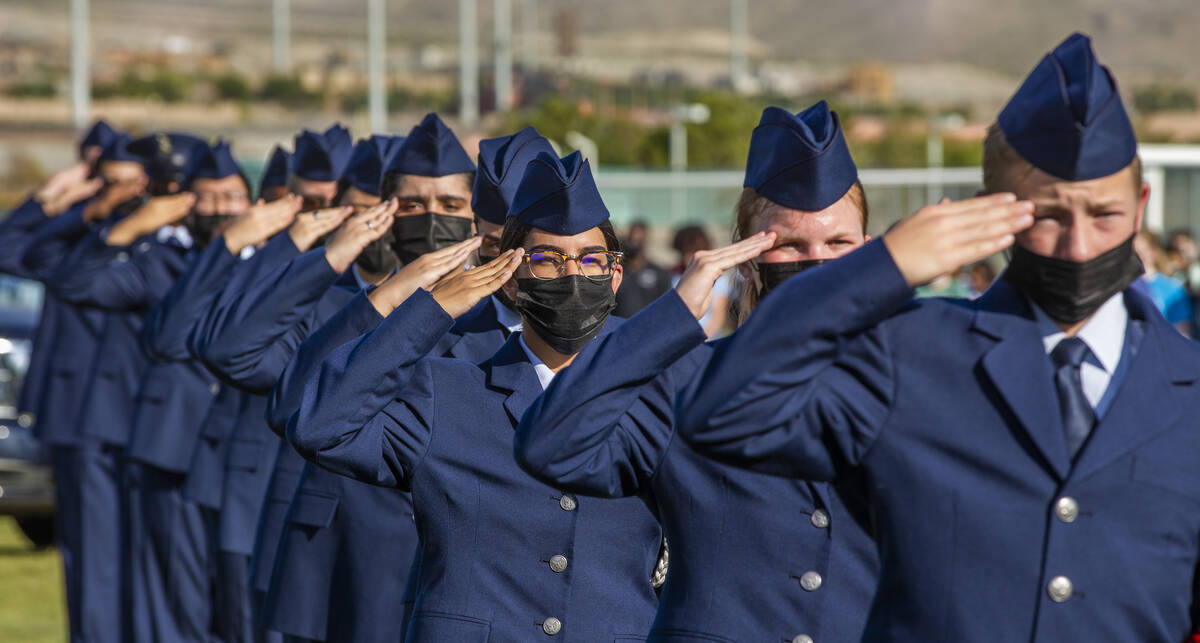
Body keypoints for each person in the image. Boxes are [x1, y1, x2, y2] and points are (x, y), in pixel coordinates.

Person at [676, 32, 1200, 641]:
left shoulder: (1188, 387)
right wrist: (878, 268)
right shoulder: (914, 353)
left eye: (1104, 215)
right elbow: (722, 415)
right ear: (994, 208)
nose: (1078, 246)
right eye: (1049, 215)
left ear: (1140, 206)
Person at [516, 101, 882, 643]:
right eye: (788, 245)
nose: (816, 261)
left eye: (838, 243)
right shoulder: (684, 380)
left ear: (870, 251)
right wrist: (669, 319)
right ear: (747, 252)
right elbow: (552, 446)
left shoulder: (917, 379)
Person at [287, 150, 664, 640]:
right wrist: (430, 310)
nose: (574, 276)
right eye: (548, 260)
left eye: (591, 260)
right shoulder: (444, 391)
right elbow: (320, 427)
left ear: (614, 276)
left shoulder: (659, 395)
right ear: (509, 280)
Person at [263, 125, 553, 640]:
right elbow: (295, 406)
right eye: (494, 240)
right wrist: (401, 302)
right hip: (372, 565)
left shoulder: (596, 338)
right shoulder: (428, 315)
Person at [671, 224, 731, 337]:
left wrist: (700, 340)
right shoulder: (673, 277)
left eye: (693, 253)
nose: (689, 258)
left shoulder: (718, 279)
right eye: (686, 253)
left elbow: (718, 317)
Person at [1134, 228, 1192, 336]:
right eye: (1133, 252)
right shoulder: (1123, 287)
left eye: (1141, 251)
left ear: (1153, 252)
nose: (1137, 256)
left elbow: (1182, 331)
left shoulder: (1172, 287)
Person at [614, 220, 672, 317]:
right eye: (632, 239)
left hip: (648, 328)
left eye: (639, 240)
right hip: (619, 328)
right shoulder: (616, 272)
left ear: (646, 240)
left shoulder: (660, 274)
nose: (635, 243)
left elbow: (665, 307)